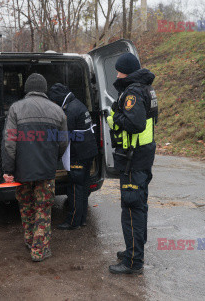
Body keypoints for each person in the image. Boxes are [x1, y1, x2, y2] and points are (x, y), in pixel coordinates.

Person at [2, 73, 68, 262]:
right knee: (43, 208)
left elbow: (9, 142)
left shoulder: (16, 108)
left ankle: (31, 241)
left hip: (22, 171)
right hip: (46, 170)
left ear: (27, 89)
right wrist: (54, 158)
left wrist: (8, 170)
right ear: (45, 90)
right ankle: (40, 250)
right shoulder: (58, 111)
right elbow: (63, 142)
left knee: (26, 206)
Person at [106, 53, 158, 275]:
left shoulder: (133, 92)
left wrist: (115, 116)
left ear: (124, 71)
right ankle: (134, 249)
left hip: (133, 158)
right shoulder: (145, 88)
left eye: (118, 70)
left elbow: (134, 123)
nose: (116, 74)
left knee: (131, 208)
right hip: (142, 156)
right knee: (139, 206)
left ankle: (133, 261)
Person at [48, 83, 98, 230]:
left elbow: (63, 135)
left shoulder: (70, 110)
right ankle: (81, 219)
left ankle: (73, 221)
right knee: (83, 187)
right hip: (88, 153)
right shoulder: (77, 104)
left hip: (78, 154)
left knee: (75, 189)